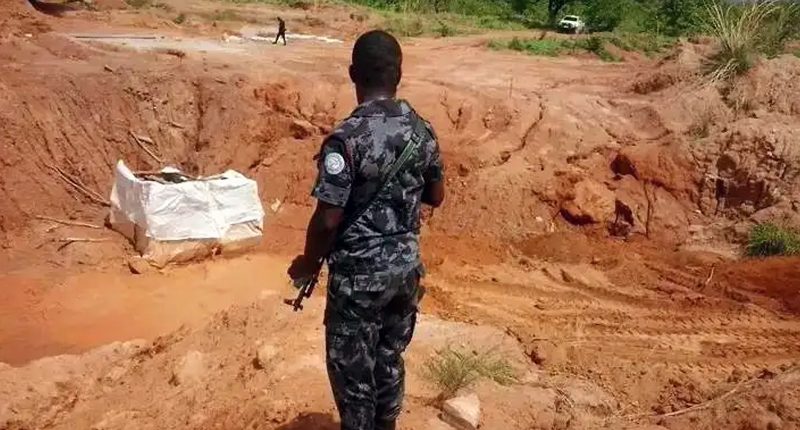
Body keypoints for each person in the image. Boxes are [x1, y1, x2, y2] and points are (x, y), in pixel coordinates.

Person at [287, 30, 445, 430]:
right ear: (399, 73)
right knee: (389, 357)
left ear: (353, 73)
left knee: (353, 374)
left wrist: (306, 264)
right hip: (406, 273)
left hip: (359, 279)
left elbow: (328, 218)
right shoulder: (422, 130)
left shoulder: (346, 139)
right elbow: (436, 196)